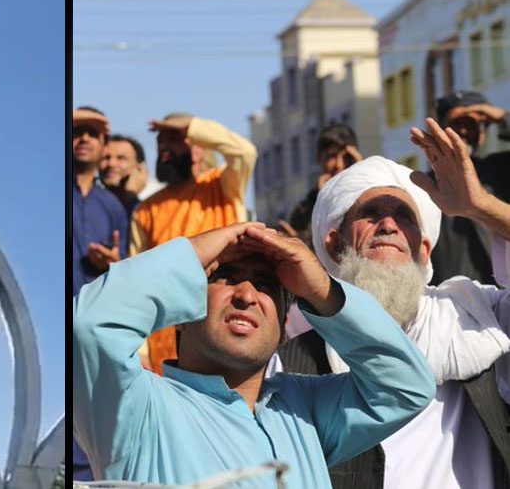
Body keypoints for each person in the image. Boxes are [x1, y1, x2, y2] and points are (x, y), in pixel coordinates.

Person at [73, 221, 435, 487]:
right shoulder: (135, 409)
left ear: (281, 327)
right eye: (226, 278)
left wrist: (322, 290)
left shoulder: (302, 410)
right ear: (179, 315)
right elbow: (89, 327)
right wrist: (197, 249)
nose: (246, 295)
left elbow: (406, 387)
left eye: (265, 286)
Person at [278, 118, 510, 488]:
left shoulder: (477, 317)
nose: (389, 225)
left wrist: (479, 206)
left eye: (404, 216)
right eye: (370, 215)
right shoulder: (294, 363)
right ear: (336, 244)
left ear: (424, 249)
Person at [131, 112, 257, 374]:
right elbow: (138, 284)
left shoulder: (223, 186)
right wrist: (139, 350)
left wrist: (191, 126)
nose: (164, 147)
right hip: (164, 344)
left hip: (225, 325)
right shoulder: (146, 210)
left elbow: (245, 152)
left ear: (199, 149)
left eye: (175, 139)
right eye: (161, 141)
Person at [71, 105, 129, 482]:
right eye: (77, 131)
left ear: (103, 142)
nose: (84, 139)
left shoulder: (113, 206)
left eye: (93, 132)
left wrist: (114, 261)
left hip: (96, 328)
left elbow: (126, 267)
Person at [430, 90, 510, 285]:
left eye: (471, 125)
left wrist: (504, 117)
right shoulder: (424, 185)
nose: (463, 131)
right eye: (456, 124)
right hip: (451, 303)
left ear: (483, 133)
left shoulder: (501, 169)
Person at [282, 123, 362, 245]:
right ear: (319, 158)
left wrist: (361, 171)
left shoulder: (369, 195)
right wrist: (323, 200)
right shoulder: (305, 209)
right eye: (332, 157)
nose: (339, 165)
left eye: (346, 157)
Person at [99, 133, 148, 221]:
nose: (111, 164)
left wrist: (130, 196)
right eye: (106, 158)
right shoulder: (84, 206)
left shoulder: (147, 213)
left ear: (140, 168)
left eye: (121, 158)